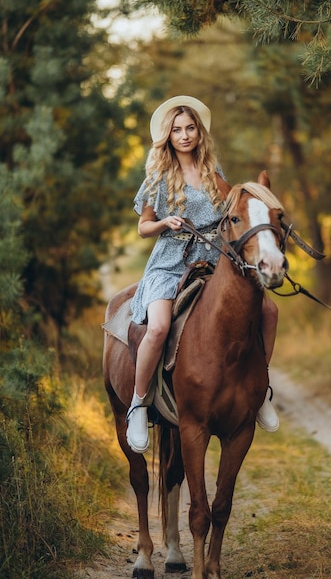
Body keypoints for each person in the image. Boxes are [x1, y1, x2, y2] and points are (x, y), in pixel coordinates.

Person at [127, 95, 279, 453]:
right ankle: (139, 401)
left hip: (214, 258)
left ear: (199, 132)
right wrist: (164, 221)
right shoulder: (157, 178)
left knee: (269, 311)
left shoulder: (214, 172)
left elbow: (232, 212)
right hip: (172, 260)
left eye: (190, 128)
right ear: (168, 135)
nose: (184, 135)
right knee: (160, 326)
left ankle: (261, 389)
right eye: (177, 130)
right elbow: (142, 227)